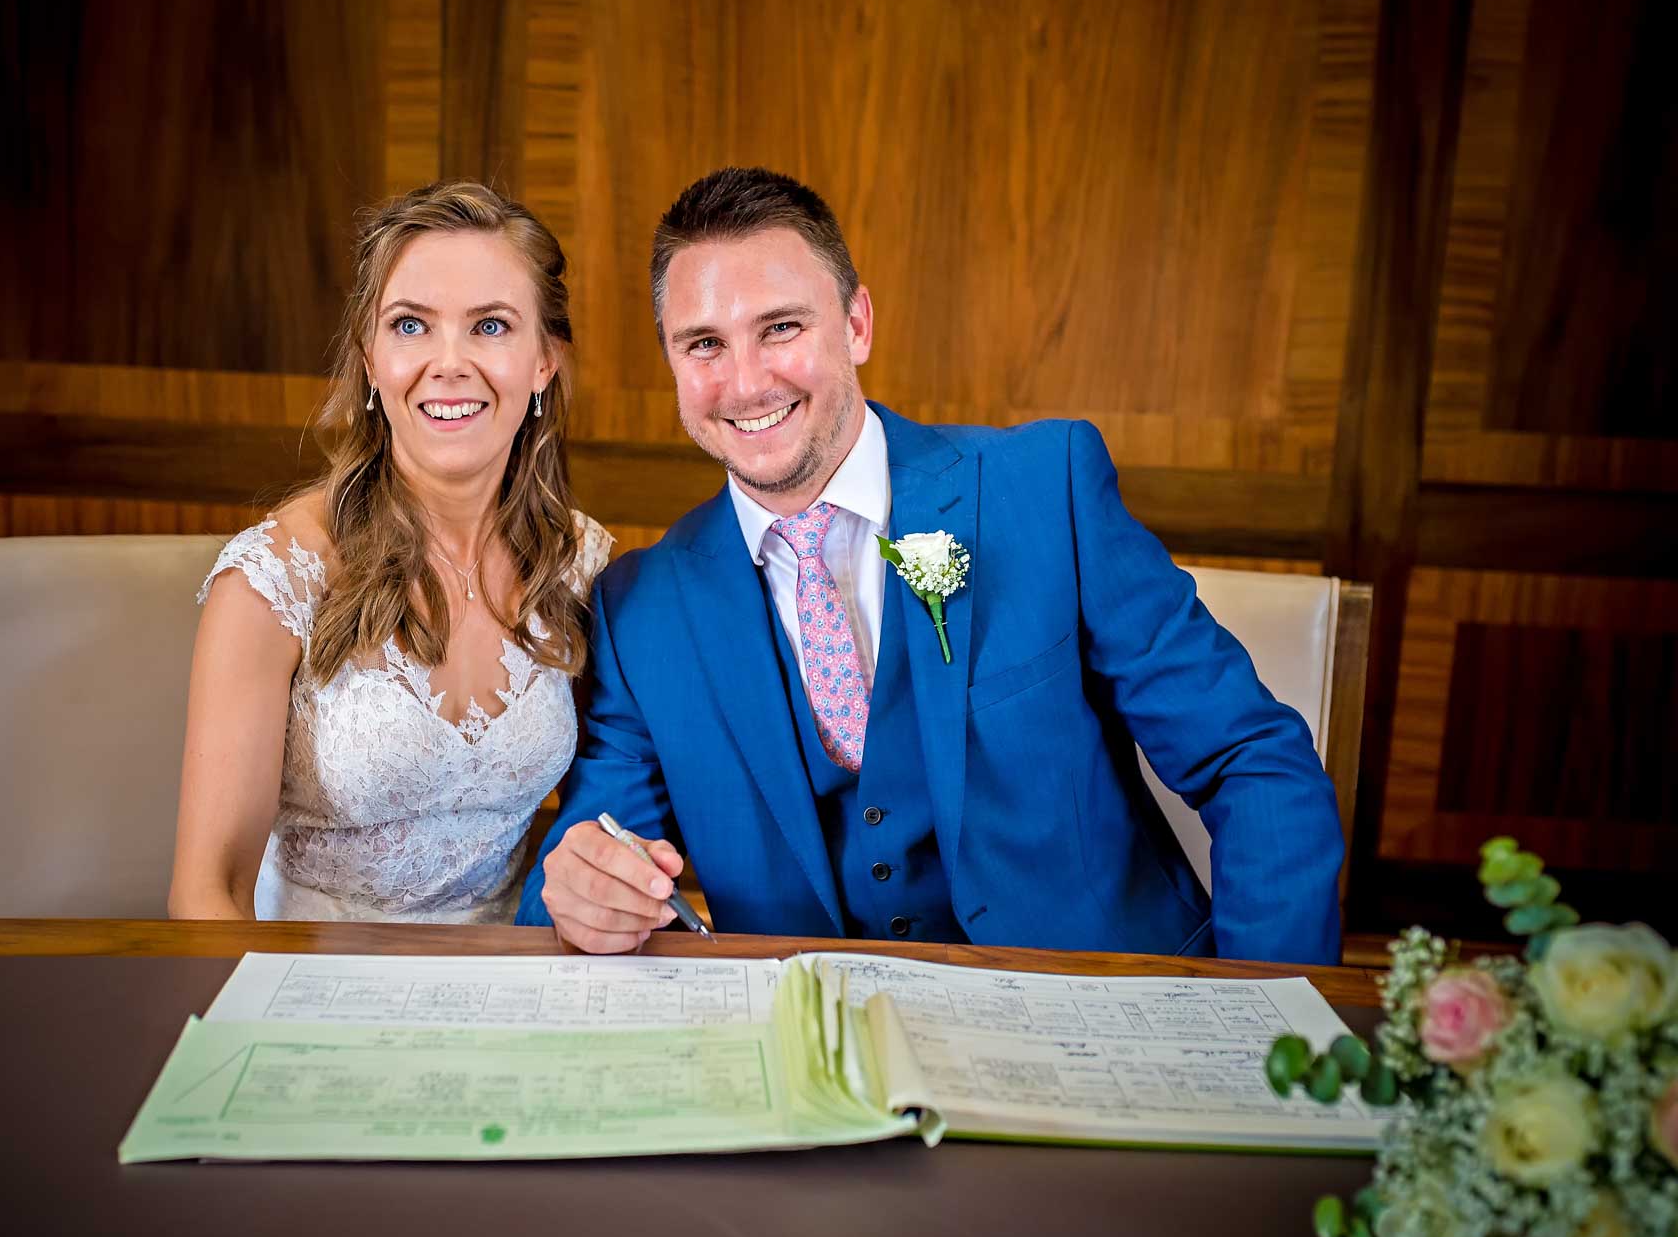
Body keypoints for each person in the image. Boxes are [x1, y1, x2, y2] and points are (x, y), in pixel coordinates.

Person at [517, 166, 1344, 963]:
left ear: (857, 324)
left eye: (781, 328)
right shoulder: (638, 609)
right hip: (821, 1061)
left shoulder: (1042, 490)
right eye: (704, 344)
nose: (746, 381)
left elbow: (1250, 759)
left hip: (1101, 1016)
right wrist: (585, 889)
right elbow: (597, 856)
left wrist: (1270, 1030)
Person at [170, 182, 609, 922]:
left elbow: (607, 814)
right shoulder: (272, 582)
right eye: (410, 326)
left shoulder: (580, 564)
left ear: (544, 362)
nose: (449, 362)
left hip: (514, 985)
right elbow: (205, 893)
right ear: (371, 359)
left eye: (491, 327)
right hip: (313, 991)